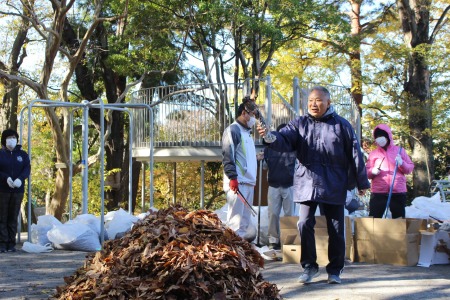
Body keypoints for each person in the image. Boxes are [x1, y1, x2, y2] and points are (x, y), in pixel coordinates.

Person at [257, 86, 370, 284]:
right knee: (304, 223)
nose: (313, 104)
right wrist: (270, 137)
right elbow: (284, 139)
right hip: (307, 181)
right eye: (310, 101)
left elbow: (355, 154)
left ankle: (334, 270)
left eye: (318, 100)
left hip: (334, 183)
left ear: (328, 103)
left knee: (336, 228)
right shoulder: (299, 123)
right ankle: (309, 267)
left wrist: (361, 181)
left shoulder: (342, 125)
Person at [222, 97, 260, 241]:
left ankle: (241, 255)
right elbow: (227, 154)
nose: (254, 119)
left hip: (248, 183)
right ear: (244, 113)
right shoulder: (233, 130)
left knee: (244, 222)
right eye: (253, 115)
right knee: (235, 223)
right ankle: (233, 253)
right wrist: (232, 177)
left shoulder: (247, 134)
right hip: (238, 183)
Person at [365, 124, 414, 219]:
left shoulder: (400, 151)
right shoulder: (373, 154)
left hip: (397, 191)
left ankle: (397, 234)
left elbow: (409, 168)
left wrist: (402, 163)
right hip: (378, 192)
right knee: (374, 219)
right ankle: (375, 234)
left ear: (388, 136)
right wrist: (372, 171)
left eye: (382, 136)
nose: (380, 139)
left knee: (398, 219)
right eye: (377, 137)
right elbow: (366, 173)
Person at [262, 123, 297, 250]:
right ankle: (287, 240)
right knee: (288, 214)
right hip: (286, 184)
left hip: (277, 184)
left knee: (274, 214)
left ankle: (275, 240)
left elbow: (265, 166)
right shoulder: (293, 147)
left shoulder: (269, 148)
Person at [0, 129, 31, 253]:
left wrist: (20, 179)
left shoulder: (22, 155)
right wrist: (5, 177)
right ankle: (2, 243)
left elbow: (27, 169)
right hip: (3, 190)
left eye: (13, 137)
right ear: (4, 140)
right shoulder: (1, 154)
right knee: (2, 217)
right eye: (8, 137)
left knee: (13, 217)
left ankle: (11, 243)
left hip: (18, 190)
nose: (11, 140)